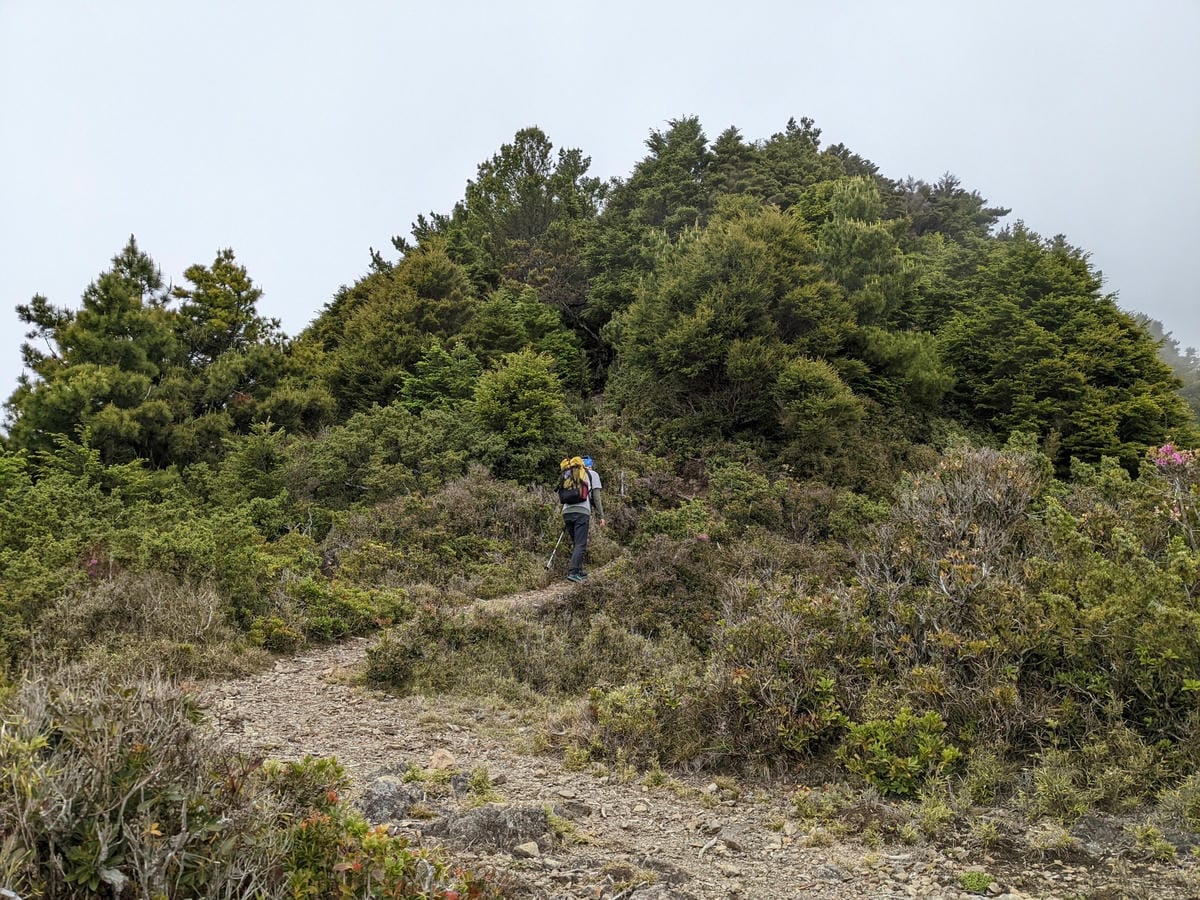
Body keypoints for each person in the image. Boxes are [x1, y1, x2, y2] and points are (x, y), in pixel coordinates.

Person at [562, 454, 605, 583]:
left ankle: (579, 570)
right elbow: (596, 497)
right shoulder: (593, 474)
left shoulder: (569, 474)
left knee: (576, 543)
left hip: (566, 512)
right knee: (581, 543)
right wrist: (601, 516)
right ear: (590, 465)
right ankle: (573, 573)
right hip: (582, 512)